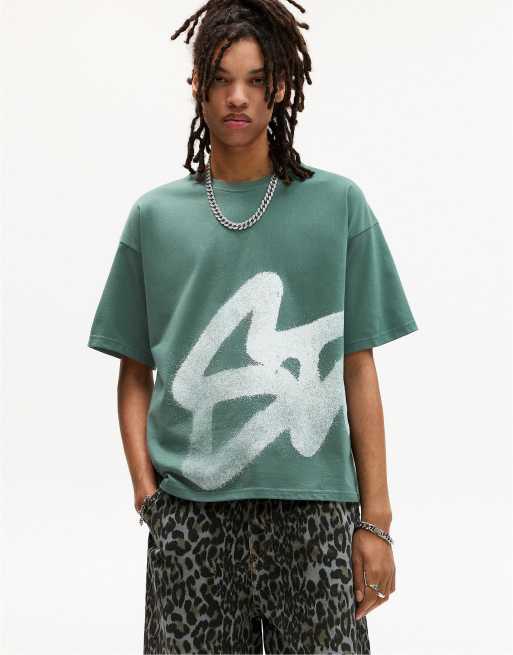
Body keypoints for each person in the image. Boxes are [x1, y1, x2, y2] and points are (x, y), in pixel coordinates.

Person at [87, 1, 419, 653]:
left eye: (255, 79)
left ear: (282, 86)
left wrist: (375, 520)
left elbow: (358, 366)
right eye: (220, 78)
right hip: (192, 519)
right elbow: (133, 370)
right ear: (196, 86)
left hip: (315, 515)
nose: (237, 97)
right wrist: (148, 495)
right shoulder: (155, 217)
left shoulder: (338, 205)